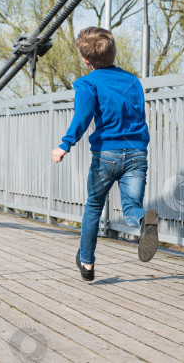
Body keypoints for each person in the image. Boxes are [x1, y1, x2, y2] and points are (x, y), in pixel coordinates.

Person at [51, 27, 156, 282]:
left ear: (86, 61)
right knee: (132, 206)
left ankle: (87, 263)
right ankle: (143, 220)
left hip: (106, 155)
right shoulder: (133, 81)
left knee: (94, 207)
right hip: (136, 153)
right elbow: (137, 114)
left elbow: (83, 117)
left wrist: (65, 145)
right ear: (113, 52)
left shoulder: (87, 83)